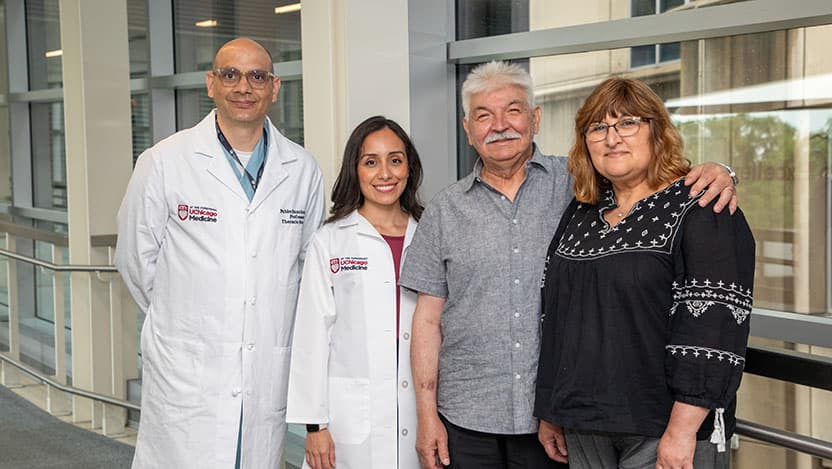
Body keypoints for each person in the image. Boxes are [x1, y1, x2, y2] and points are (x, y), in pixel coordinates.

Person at [399, 61, 740, 469]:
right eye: (483, 115)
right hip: (475, 417)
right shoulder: (447, 210)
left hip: (577, 425)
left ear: (535, 118)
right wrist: (426, 415)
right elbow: (426, 320)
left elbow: (653, 183)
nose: (500, 125)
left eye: (513, 110)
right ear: (467, 128)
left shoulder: (577, 186)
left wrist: (721, 171)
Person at [115, 37, 325, 469]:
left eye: (256, 76)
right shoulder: (164, 162)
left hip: (265, 371)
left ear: (275, 87)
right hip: (187, 373)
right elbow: (136, 263)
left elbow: (309, 268)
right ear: (211, 83)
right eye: (230, 74)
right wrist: (191, 322)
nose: (243, 86)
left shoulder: (302, 169)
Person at [534, 77, 755, 469]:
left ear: (658, 131)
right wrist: (551, 409)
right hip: (585, 424)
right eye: (598, 128)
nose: (612, 138)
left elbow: (714, 329)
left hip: (665, 430)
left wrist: (682, 431)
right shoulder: (582, 213)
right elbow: (556, 314)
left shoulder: (702, 206)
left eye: (628, 123)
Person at [286, 116, 424, 469]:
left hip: (420, 410)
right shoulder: (330, 241)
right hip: (349, 418)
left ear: (409, 166)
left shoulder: (429, 235)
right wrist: (315, 425)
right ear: (355, 169)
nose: (385, 174)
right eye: (371, 162)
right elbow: (311, 337)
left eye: (395, 160)